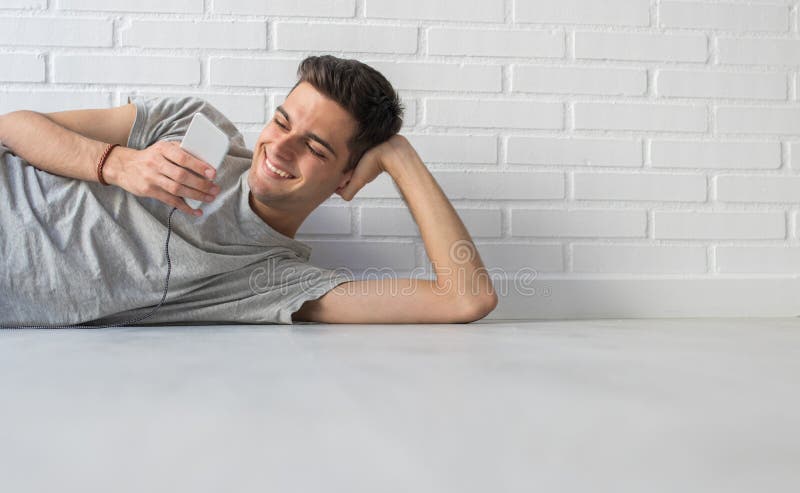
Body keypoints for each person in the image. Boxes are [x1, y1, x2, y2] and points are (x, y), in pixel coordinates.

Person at [0, 55, 497, 326]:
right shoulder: (191, 125)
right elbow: (13, 127)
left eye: (315, 148)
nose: (279, 149)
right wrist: (118, 164)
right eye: (281, 121)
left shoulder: (274, 282)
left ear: (347, 179)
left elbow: (465, 299)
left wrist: (400, 156)